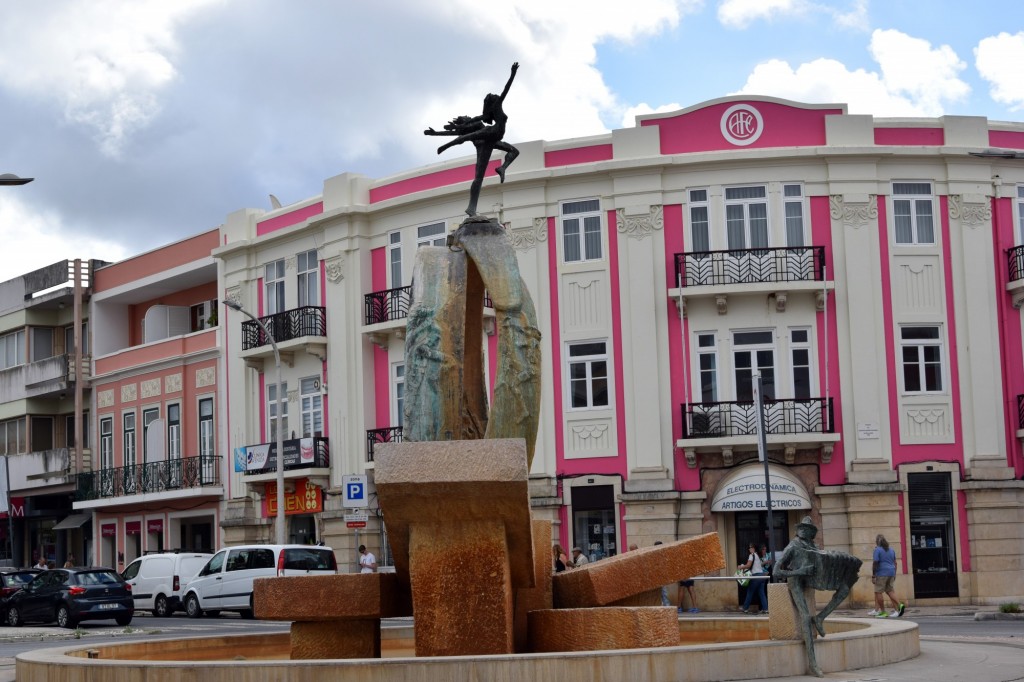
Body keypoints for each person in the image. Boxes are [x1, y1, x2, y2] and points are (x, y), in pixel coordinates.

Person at [424, 62, 521, 216]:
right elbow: (506, 89)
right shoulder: (495, 108)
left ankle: (502, 168)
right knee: (476, 169)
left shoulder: (487, 116)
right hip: (491, 135)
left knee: (514, 151)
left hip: (492, 138)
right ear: (492, 102)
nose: (494, 96)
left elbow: (469, 123)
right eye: (492, 97)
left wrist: (436, 133)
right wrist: (513, 73)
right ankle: (471, 207)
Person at [870, 534, 905, 618]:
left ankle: (883, 612)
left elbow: (875, 563)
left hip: (881, 573)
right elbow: (895, 562)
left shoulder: (877, 550)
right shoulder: (891, 550)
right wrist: (894, 574)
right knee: (890, 591)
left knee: (878, 592)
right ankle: (899, 606)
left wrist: (873, 575)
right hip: (891, 572)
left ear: (877, 542)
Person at [738, 542, 768, 614]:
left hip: (756, 576)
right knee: (761, 593)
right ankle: (765, 609)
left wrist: (741, 567)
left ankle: (745, 608)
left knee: (750, 591)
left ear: (754, 548)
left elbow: (748, 565)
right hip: (762, 576)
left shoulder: (752, 555)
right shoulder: (758, 555)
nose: (749, 549)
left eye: (750, 547)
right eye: (749, 548)